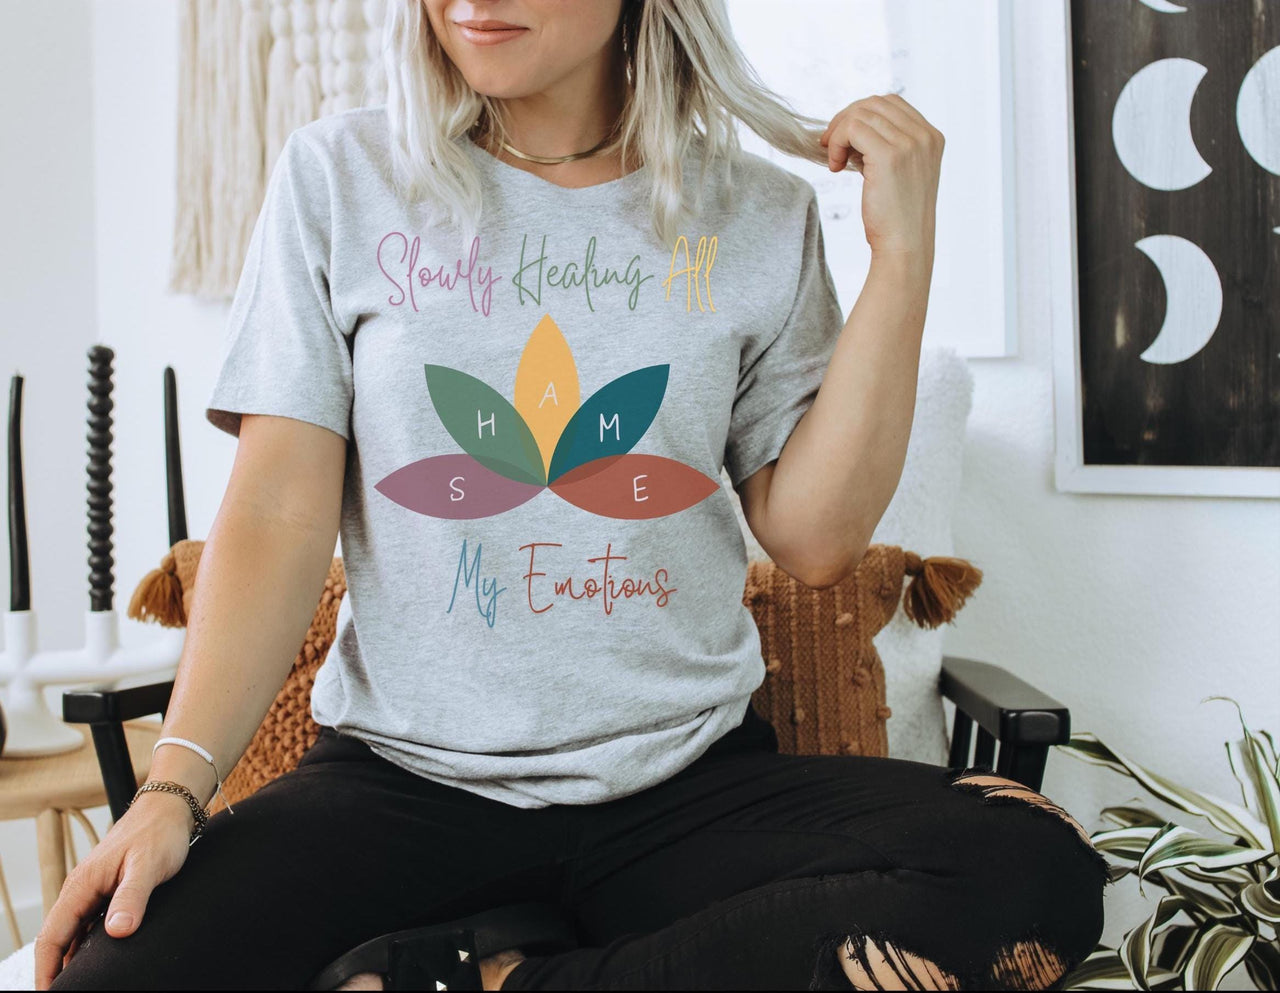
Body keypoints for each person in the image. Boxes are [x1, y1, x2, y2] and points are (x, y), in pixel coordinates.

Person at [36, 0, 1108, 989]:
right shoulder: (340, 177)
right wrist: (171, 791)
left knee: (1028, 871)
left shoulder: (758, 214)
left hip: (684, 789)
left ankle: (493, 977)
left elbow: (816, 539)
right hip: (400, 785)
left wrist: (902, 255)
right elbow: (275, 514)